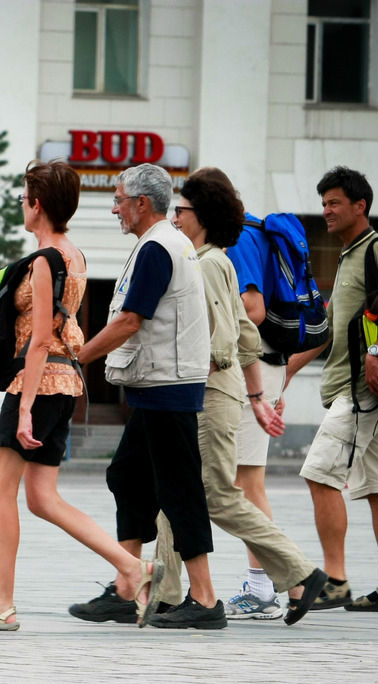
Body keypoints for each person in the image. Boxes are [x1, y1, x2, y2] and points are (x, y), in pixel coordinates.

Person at [0, 160, 157, 632]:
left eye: (24, 198)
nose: (22, 205)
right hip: (65, 385)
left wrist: (22, 409)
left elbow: (41, 338)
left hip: (37, 385)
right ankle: (133, 568)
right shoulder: (74, 255)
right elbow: (70, 330)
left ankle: (1, 604)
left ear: (37, 204)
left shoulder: (44, 261)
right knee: (42, 499)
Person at [151, 169, 326, 626]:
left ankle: (298, 572)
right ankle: (165, 593)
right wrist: (257, 395)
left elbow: (227, 339)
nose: (174, 217)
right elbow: (249, 334)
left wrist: (189, 374)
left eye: (181, 210)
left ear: (202, 214)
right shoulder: (212, 258)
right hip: (219, 392)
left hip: (207, 394)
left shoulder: (208, 263)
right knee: (178, 487)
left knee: (216, 495)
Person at [70, 162, 222, 630]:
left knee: (181, 491)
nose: (114, 207)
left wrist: (78, 357)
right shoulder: (161, 243)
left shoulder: (158, 246)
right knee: (128, 477)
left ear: (141, 203)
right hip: (157, 386)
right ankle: (125, 586)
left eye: (119, 199)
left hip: (168, 389)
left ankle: (206, 601)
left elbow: (130, 320)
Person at [296, 167, 378, 612]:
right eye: (323, 202)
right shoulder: (349, 255)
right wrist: (287, 370)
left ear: (359, 206)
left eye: (333, 203)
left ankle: (335, 579)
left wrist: (374, 352)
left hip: (363, 391)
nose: (325, 211)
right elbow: (332, 332)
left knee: (318, 474)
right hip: (351, 387)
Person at [226, 206, 332, 618]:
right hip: (262, 372)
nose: (178, 218)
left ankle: (278, 583)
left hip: (253, 372)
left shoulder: (239, 238)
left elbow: (251, 311)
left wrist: (272, 379)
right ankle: (275, 582)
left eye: (184, 210)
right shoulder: (251, 234)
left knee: (246, 484)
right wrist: (278, 377)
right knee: (243, 483)